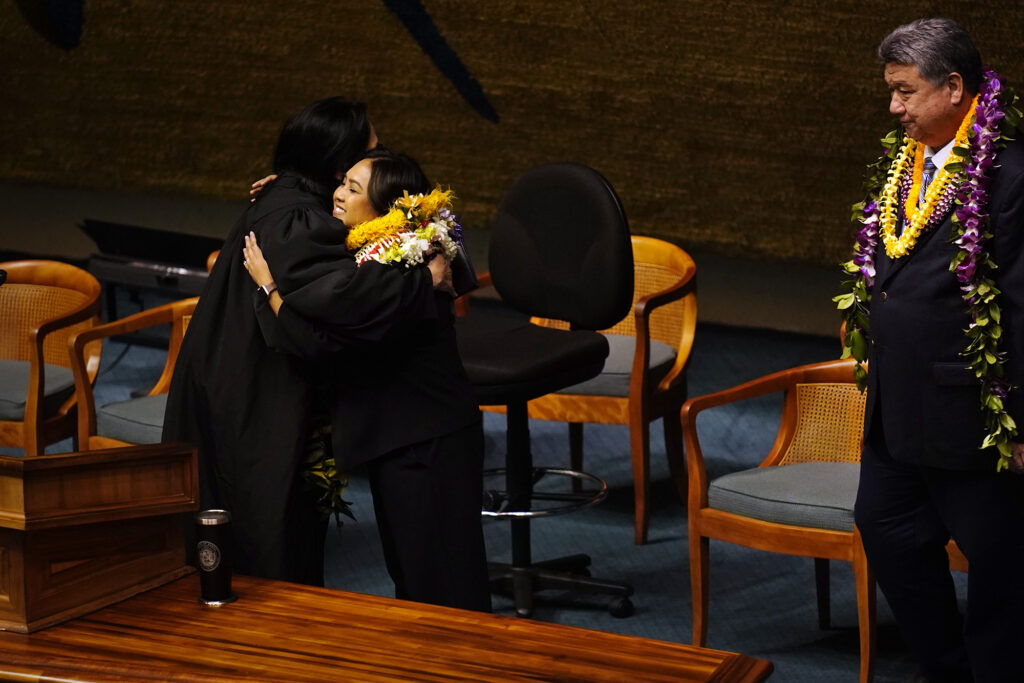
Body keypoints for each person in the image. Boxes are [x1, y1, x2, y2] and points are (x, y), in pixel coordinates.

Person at [163, 97, 445, 587]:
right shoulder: (297, 219)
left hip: (237, 372)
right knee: (265, 519)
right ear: (336, 161)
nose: (379, 156)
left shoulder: (292, 200)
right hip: (255, 387)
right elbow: (348, 296)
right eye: (368, 151)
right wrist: (425, 279)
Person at [839, 18, 1024, 682]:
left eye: (904, 91)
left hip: (973, 415)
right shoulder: (908, 156)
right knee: (884, 527)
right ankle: (950, 670)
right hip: (899, 407)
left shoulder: (1008, 173)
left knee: (1001, 572)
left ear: (953, 88)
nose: (893, 107)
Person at [241, 148, 491, 612]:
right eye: (340, 181)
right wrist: (290, 184)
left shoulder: (400, 266)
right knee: (415, 577)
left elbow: (315, 340)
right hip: (405, 439)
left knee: (444, 586)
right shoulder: (396, 245)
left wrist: (268, 287)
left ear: (386, 212)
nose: (337, 194)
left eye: (351, 189)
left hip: (426, 444)